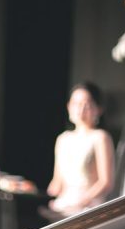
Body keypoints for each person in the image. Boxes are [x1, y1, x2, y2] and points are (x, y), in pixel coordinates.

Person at [46, 82, 115, 217]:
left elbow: (106, 182)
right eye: (75, 104)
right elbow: (57, 183)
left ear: (99, 109)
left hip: (89, 208)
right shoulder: (63, 139)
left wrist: (80, 202)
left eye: (86, 104)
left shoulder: (100, 137)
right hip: (63, 205)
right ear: (68, 107)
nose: (80, 109)